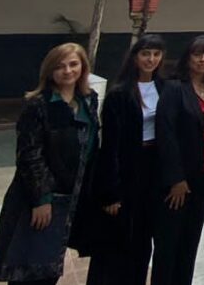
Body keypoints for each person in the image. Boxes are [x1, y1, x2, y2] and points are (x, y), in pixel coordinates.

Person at [0, 43, 99, 285]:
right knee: (28, 269)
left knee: (50, 267)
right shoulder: (39, 104)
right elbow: (29, 155)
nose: (67, 71)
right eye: (60, 66)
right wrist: (42, 198)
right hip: (41, 199)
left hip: (72, 195)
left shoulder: (89, 100)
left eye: (73, 64)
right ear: (49, 71)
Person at [86, 34, 166, 285]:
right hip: (128, 167)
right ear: (134, 57)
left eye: (155, 54)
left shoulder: (166, 88)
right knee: (118, 239)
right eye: (145, 54)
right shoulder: (119, 94)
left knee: (143, 238)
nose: (150, 59)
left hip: (153, 168)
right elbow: (110, 146)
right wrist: (110, 192)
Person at [151, 35, 204, 285]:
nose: (203, 59)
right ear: (188, 57)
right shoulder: (174, 88)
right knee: (169, 244)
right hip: (179, 181)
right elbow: (166, 134)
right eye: (197, 54)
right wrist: (176, 179)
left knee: (190, 242)